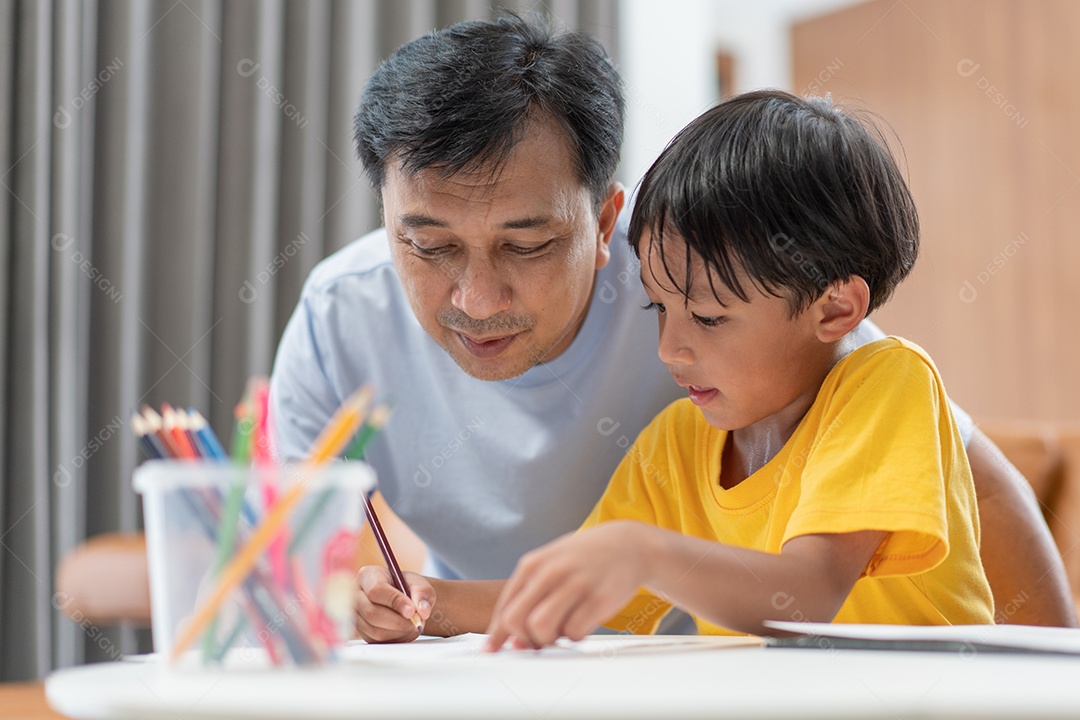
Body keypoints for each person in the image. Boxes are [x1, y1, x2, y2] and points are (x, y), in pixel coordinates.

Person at [267, 16, 1075, 640]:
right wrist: (423, 603)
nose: (476, 298)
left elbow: (842, 562)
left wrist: (1057, 667)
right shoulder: (676, 439)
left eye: (528, 243)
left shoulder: (833, 353)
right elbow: (587, 595)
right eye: (430, 244)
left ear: (604, 222)